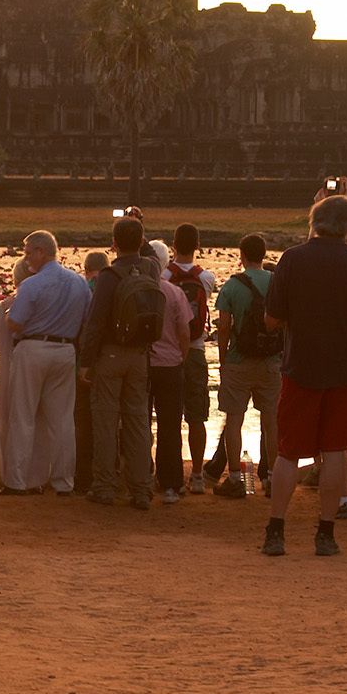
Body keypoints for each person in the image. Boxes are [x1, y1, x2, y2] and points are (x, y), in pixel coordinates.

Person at [259, 195, 347, 556]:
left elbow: (271, 320)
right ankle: (326, 533)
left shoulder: (292, 259)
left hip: (300, 366)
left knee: (288, 453)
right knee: (336, 453)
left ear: (313, 221)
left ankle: (276, 530)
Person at [79, 217, 163, 509]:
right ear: (141, 241)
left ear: (113, 244)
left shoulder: (109, 276)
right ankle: (140, 488)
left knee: (105, 421)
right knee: (138, 422)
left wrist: (86, 362)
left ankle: (105, 485)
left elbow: (96, 322)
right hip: (141, 354)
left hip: (111, 354)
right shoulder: (152, 268)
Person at [3, 231, 90, 497]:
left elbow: (15, 322)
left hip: (33, 348)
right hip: (65, 350)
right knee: (63, 419)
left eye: (29, 252)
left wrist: (9, 316)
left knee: (23, 415)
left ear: (41, 252)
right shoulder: (79, 283)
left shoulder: (31, 285)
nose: (26, 257)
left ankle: (17, 481)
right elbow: (86, 319)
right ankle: (64, 481)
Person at [214, 234, 280, 499]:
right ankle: (273, 477)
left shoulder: (231, 286)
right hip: (270, 361)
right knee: (271, 421)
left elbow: (224, 326)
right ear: (264, 254)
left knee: (234, 419)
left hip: (238, 361)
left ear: (241, 254)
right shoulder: (276, 283)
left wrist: (223, 360)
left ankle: (234, 478)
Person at [165, 223, 216, 491]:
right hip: (196, 350)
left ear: (173, 245)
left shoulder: (163, 275)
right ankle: (197, 474)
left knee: (166, 417)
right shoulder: (206, 277)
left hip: (168, 352)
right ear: (198, 245)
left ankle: (165, 472)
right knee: (197, 416)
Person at [148, 258, 193, 504]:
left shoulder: (134, 289)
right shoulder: (174, 292)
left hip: (143, 365)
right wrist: (180, 358)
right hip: (170, 365)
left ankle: (141, 475)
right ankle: (170, 484)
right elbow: (184, 332)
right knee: (170, 425)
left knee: (138, 423)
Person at [0, 257, 33, 492]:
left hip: (10, 366)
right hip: (38, 365)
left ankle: (13, 476)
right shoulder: (46, 303)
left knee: (1, 422)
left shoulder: (3, 306)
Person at [74, 250, 109, 496]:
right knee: (109, 418)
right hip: (110, 358)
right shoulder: (114, 285)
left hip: (83, 359)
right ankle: (110, 472)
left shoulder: (81, 289)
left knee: (83, 420)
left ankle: (83, 476)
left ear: (86, 269)